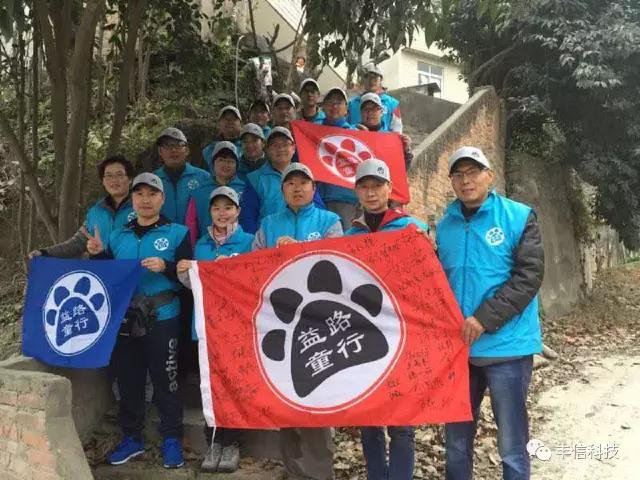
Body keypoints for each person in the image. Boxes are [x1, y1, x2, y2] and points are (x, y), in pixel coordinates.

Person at [436, 146, 544, 480]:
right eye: (458, 174)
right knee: (456, 444)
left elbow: (529, 277)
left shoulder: (517, 217)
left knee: (512, 443)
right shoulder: (445, 225)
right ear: (451, 181)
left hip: (507, 348)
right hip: (460, 351)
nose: (466, 180)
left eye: (473, 172)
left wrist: (484, 318)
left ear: (490, 176)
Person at [87, 172, 191, 469]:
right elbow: (107, 278)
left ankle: (172, 439)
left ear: (162, 198)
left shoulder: (178, 233)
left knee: (166, 380)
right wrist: (97, 255)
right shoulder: (118, 236)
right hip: (125, 319)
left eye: (152, 194)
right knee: (129, 380)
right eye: (140, 194)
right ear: (132, 199)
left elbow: (189, 276)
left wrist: (166, 266)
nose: (146, 200)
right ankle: (132, 438)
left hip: (163, 317)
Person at [252, 162, 341, 480]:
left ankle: (321, 472)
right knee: (286, 396)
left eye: (304, 182)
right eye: (291, 183)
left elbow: (337, 263)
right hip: (281, 322)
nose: (298, 188)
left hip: (320, 322)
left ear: (314, 189)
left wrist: (300, 250)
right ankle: (293, 470)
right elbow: (254, 267)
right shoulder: (268, 224)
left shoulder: (330, 221)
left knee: (316, 396)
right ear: (282, 190)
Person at [345, 158, 427, 480]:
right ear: (356, 191)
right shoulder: (350, 234)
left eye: (377, 186)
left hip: (402, 335)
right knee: (369, 419)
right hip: (362, 336)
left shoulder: (411, 229)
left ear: (390, 189)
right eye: (364, 187)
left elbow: (430, 281)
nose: (371, 193)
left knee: (401, 422)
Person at [177, 186, 254, 474]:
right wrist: (185, 272)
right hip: (206, 325)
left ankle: (232, 442)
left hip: (236, 326)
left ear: (238, 211)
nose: (222, 213)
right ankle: (214, 441)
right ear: (209, 212)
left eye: (228, 207)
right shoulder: (201, 245)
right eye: (216, 208)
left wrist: (231, 269)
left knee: (234, 383)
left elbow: (254, 281)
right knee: (210, 384)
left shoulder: (249, 242)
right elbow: (194, 285)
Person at [29, 155, 135, 259]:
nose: (114, 180)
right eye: (108, 176)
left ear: (130, 179)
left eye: (119, 175)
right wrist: (44, 253)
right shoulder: (95, 212)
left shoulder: (141, 209)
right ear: (103, 181)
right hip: (100, 269)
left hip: (133, 269)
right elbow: (77, 243)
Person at [239, 126, 324, 234]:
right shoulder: (255, 179)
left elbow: (319, 210)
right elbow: (248, 219)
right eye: (275, 145)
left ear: (293, 148)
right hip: (270, 239)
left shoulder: (306, 175)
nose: (281, 149)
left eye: (285, 144)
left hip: (304, 238)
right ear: (267, 149)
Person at [185, 141, 246, 246]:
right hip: (206, 248)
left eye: (230, 161)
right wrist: (193, 248)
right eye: (221, 160)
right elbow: (191, 224)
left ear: (237, 165)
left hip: (239, 248)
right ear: (213, 163)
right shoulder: (199, 192)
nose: (226, 165)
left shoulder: (245, 190)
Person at [316, 87, 359, 229]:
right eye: (330, 102)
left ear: (346, 109)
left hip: (346, 199)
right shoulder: (312, 132)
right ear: (323, 107)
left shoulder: (356, 134)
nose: (334, 106)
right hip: (316, 197)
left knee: (344, 239)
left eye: (339, 102)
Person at [154, 127, 211, 225]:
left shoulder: (204, 177)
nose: (173, 150)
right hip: (162, 234)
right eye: (167, 145)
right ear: (160, 151)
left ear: (187, 150)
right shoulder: (152, 180)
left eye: (178, 145)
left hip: (195, 234)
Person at [357, 92, 414, 171]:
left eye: (374, 109)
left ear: (381, 112)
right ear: (360, 113)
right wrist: (360, 136)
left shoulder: (391, 138)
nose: (370, 113)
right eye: (366, 109)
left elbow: (402, 170)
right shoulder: (351, 132)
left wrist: (406, 151)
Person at [348, 63, 402, 133]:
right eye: (367, 77)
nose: (371, 80)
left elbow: (397, 130)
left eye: (375, 77)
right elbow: (344, 127)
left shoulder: (393, 104)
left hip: (382, 139)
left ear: (381, 79)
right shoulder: (351, 104)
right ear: (363, 79)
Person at [202, 106, 243, 171]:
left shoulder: (248, 147)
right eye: (225, 119)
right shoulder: (209, 150)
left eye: (233, 118)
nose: (229, 121)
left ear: (240, 123)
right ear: (219, 123)